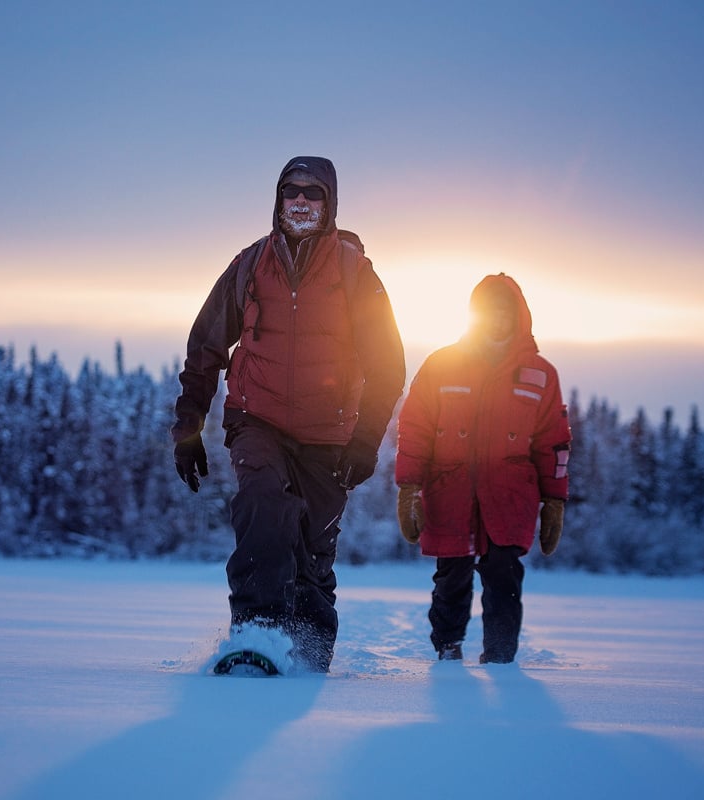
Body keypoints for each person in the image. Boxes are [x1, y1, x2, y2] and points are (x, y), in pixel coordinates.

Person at [172, 156, 406, 672]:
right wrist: (188, 428)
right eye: (291, 192)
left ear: (330, 204)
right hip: (259, 420)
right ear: (278, 201)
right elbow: (206, 345)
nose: (300, 201)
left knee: (312, 552)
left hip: (330, 434)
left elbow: (388, 365)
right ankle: (257, 633)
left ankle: (308, 651)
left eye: (312, 193)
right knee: (261, 504)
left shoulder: (355, 273)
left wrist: (366, 440)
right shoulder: (251, 265)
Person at [394, 273, 570, 663]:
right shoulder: (442, 365)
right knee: (451, 578)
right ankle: (448, 649)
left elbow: (553, 442)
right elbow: (415, 428)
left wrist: (554, 502)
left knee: (504, 576)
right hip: (449, 493)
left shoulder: (541, 374)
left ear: (520, 317)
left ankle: (501, 656)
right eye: (488, 311)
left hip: (509, 498)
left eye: (505, 312)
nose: (497, 319)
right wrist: (408, 488)